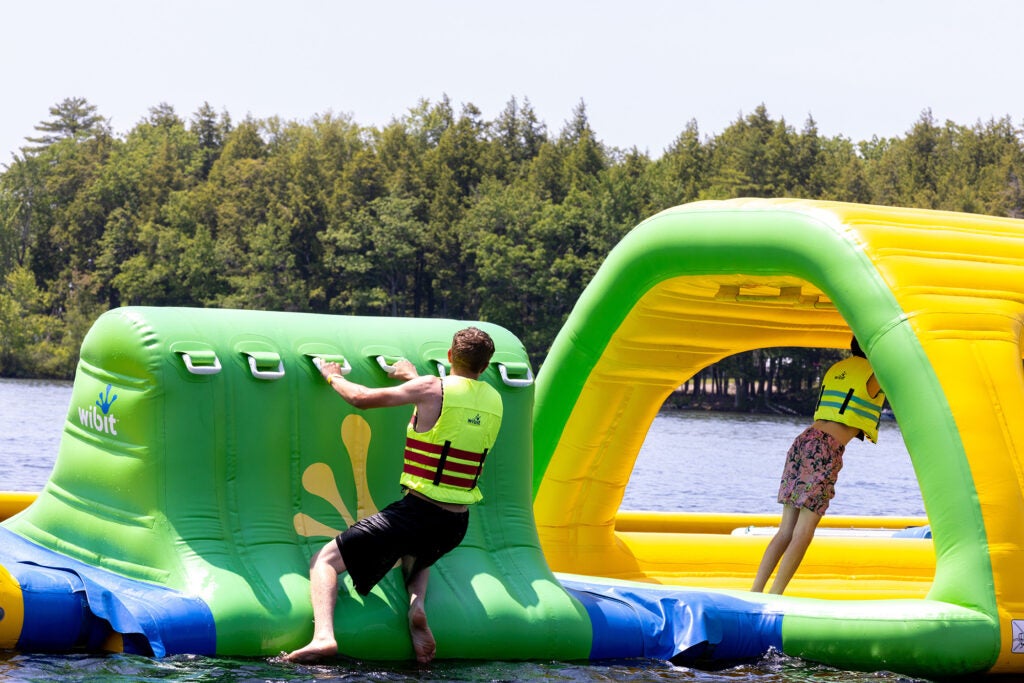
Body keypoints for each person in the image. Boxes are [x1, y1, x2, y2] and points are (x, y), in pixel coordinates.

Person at [284, 327, 504, 664]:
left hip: (418, 512)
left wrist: (331, 376)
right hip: (456, 523)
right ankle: (417, 606)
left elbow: (360, 398)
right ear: (486, 365)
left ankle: (323, 637)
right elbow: (446, 419)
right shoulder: (493, 399)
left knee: (325, 560)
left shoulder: (432, 388)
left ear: (449, 356)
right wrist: (413, 378)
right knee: (416, 555)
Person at [751, 337, 884, 595]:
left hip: (804, 441)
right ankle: (776, 595)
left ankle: (756, 591)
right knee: (804, 531)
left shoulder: (837, 368)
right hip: (826, 448)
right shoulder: (875, 372)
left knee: (786, 530)